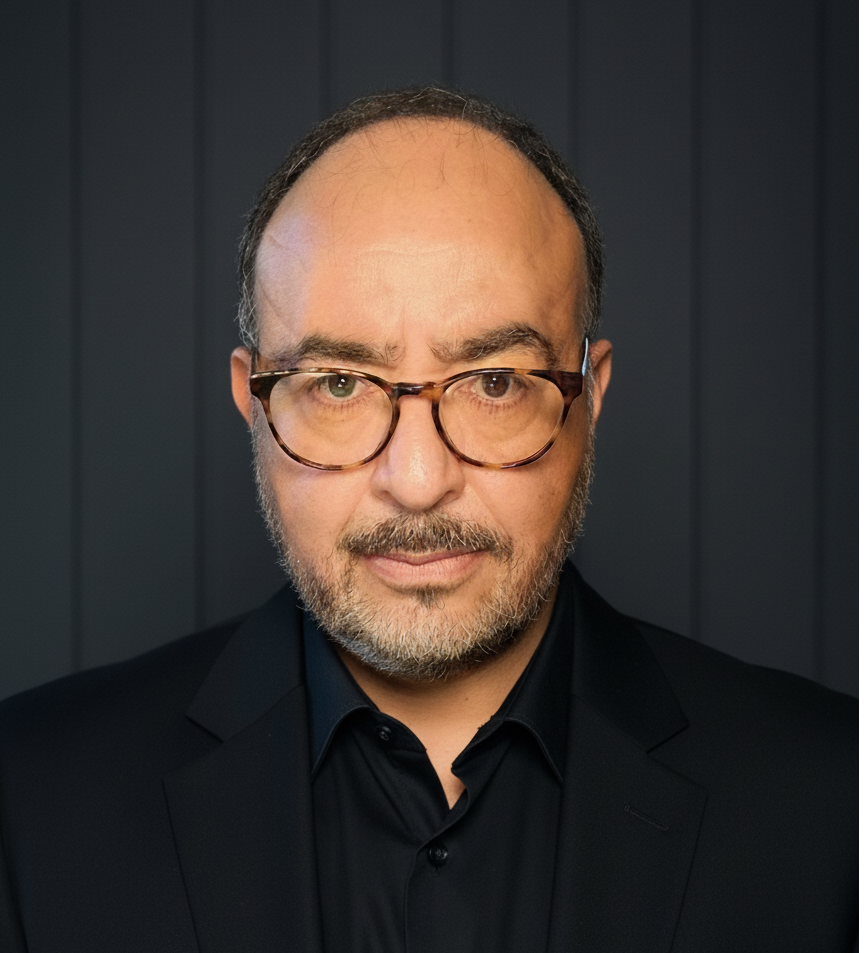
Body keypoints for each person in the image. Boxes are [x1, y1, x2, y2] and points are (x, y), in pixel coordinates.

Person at [0, 87, 855, 953]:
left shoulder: (831, 799)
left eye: (494, 382)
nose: (416, 482)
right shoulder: (29, 797)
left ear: (589, 398)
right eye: (338, 383)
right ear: (252, 403)